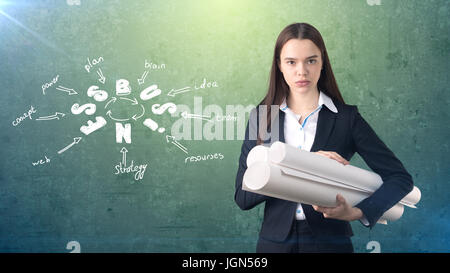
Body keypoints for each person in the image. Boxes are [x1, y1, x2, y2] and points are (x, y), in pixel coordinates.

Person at [234, 22, 414, 253]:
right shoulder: (262, 118)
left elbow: (400, 179)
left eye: (311, 60)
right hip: (274, 245)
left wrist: (359, 212)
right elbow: (242, 197)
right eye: (291, 62)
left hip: (330, 244)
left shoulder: (347, 118)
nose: (302, 71)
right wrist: (302, 163)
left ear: (322, 64)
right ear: (279, 65)